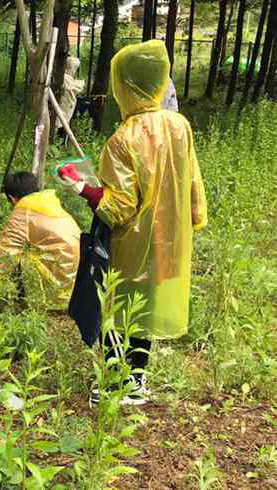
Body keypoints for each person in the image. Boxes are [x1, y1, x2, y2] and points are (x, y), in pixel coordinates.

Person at [58, 40, 207, 404]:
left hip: (130, 244)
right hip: (168, 237)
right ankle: (137, 381)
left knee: (118, 310)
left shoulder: (123, 138)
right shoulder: (179, 126)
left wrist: (80, 186)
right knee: (146, 309)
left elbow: (119, 208)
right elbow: (192, 184)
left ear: (124, 85)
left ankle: (115, 384)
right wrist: (190, 222)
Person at [0, 171, 81, 310]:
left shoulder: (24, 212)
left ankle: (36, 304)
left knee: (19, 258)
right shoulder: (48, 202)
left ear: (12, 198)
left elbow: (3, 256)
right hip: (78, 276)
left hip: (59, 280)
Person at [57, 56, 86, 132]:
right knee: (61, 128)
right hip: (61, 108)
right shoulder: (64, 78)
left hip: (67, 109)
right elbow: (73, 88)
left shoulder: (69, 78)